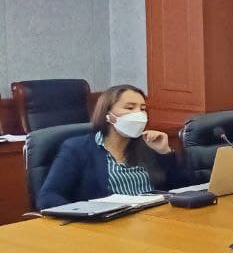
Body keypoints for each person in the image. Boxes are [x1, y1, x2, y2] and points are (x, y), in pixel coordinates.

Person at [36, 85, 189, 209]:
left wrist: (165, 153)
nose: (139, 114)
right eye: (130, 108)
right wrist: (82, 215)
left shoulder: (148, 144)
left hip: (155, 221)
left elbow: (184, 190)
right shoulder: (77, 149)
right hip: (107, 227)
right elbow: (48, 196)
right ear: (107, 114)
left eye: (142, 109)